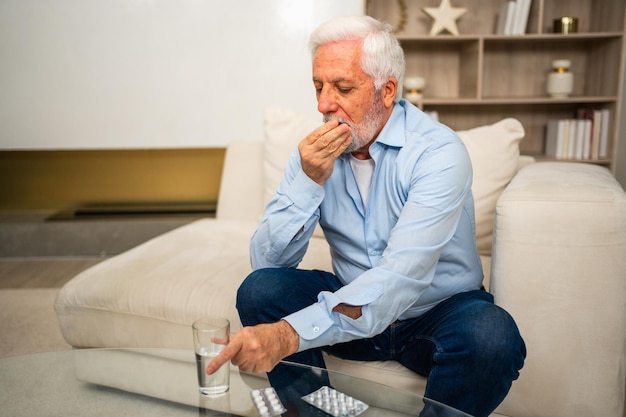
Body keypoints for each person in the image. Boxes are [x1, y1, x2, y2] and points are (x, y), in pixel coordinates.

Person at [207, 15, 526, 417]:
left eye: (342, 88)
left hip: (434, 314)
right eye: (318, 87)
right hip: (351, 302)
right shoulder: (312, 155)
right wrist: (309, 182)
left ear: (386, 90)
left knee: (493, 336)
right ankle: (318, 412)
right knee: (260, 290)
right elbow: (267, 265)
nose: (324, 105)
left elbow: (400, 277)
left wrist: (288, 336)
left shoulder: (438, 153)